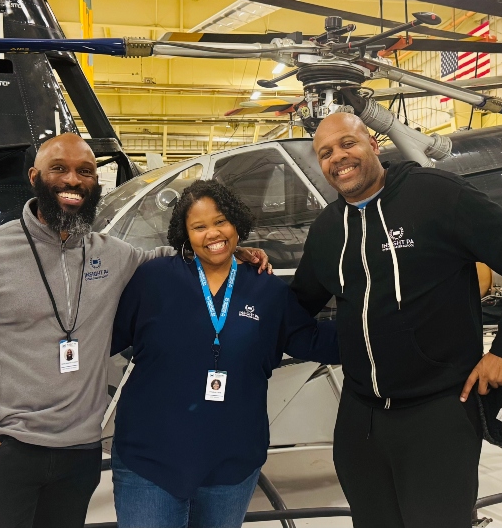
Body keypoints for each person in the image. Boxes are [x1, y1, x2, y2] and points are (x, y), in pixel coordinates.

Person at [0, 133, 270, 528]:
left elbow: (165, 259)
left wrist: (224, 249)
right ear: (35, 177)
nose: (73, 181)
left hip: (78, 455)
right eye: (59, 169)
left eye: (85, 172)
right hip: (3, 451)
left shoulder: (111, 254)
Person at [290, 113, 502, 527]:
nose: (338, 157)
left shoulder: (435, 195)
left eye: (348, 144)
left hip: (438, 413)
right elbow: (298, 302)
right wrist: (248, 274)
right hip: (361, 419)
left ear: (374, 145)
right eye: (325, 153)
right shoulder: (327, 229)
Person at [109, 180, 340, 528]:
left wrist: (386, 327)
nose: (212, 234)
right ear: (184, 234)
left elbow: (311, 339)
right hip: (150, 459)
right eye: (199, 227)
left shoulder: (266, 289)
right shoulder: (154, 280)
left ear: (236, 223)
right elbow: (102, 338)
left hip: (231, 461)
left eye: (221, 221)